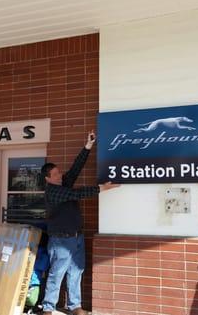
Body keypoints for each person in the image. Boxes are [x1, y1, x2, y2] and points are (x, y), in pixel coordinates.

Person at [41, 131, 119, 315]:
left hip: (77, 238)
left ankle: (75, 306)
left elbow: (76, 168)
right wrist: (102, 188)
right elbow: (77, 194)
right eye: (55, 174)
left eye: (59, 172)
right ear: (47, 178)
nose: (60, 175)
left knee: (76, 272)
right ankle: (48, 308)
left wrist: (88, 146)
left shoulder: (62, 183)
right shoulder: (53, 192)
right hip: (61, 241)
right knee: (56, 274)